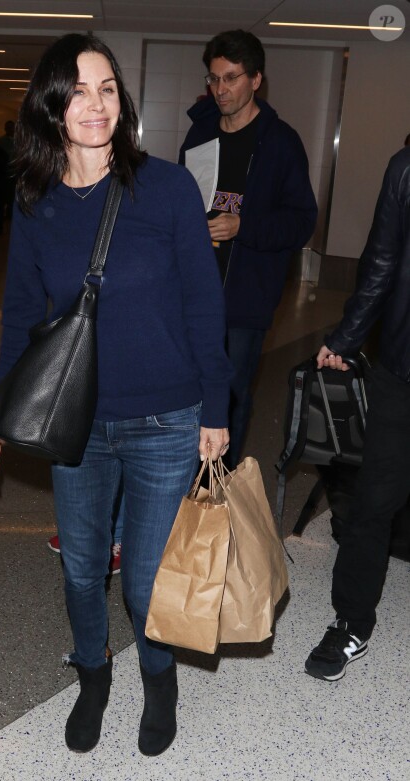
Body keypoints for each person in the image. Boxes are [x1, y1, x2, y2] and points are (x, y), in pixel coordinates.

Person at [0, 33, 232, 756]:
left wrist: (216, 409)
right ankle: (93, 674)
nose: (96, 105)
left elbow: (203, 307)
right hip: (77, 422)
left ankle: (159, 678)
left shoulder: (167, 189)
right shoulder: (34, 202)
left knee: (145, 585)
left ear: (123, 102)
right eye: (79, 91)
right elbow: (22, 315)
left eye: (108, 89)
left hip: (166, 417)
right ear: (52, 107)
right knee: (84, 569)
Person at [179, 29, 317, 469]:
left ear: (256, 80)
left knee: (233, 395)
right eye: (214, 79)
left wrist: (244, 226)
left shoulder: (280, 143)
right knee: (184, 389)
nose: (221, 89)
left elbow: (301, 221)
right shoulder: (199, 133)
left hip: (245, 299)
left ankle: (215, 493)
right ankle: (178, 485)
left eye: (232, 78)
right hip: (193, 288)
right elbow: (182, 199)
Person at [305, 145, 410, 681]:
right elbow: (383, 260)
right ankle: (351, 622)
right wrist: (347, 337)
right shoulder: (406, 166)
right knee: (374, 500)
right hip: (403, 367)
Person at [0, 119, 16, 220]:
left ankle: (10, 213)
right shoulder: (0, 142)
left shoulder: (19, 141)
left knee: (13, 196)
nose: (9, 129)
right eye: (8, 127)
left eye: (11, 127)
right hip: (4, 174)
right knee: (3, 195)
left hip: (15, 173)